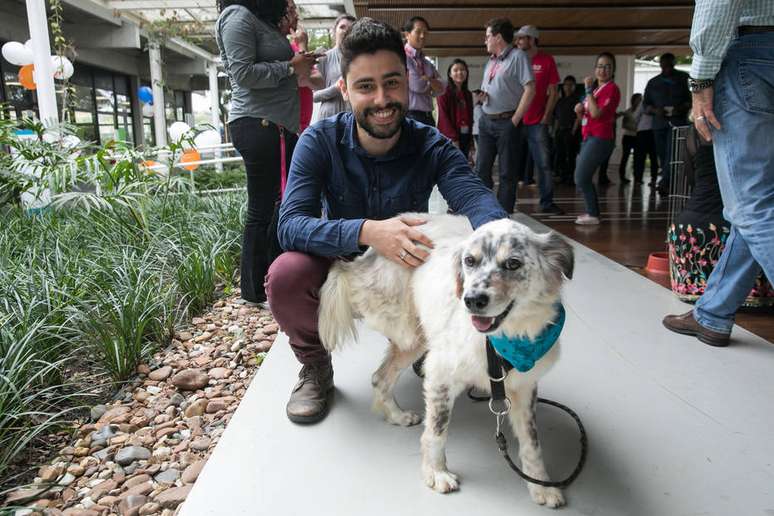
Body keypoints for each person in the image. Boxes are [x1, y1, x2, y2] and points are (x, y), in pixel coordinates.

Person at [266, 18, 508, 424]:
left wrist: (501, 240)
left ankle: (435, 343)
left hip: (407, 268)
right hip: (345, 264)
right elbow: (290, 224)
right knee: (286, 274)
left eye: (392, 83)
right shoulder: (319, 140)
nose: (382, 99)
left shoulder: (430, 143)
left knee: (471, 253)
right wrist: (368, 231)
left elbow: (475, 197)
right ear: (344, 89)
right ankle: (315, 366)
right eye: (365, 87)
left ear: (408, 80)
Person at [662, 2, 774, 347]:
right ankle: (713, 313)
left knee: (750, 205)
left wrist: (701, 79)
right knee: (758, 200)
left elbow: (720, 2)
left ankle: (712, 313)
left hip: (753, 53)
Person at [215, 0, 316, 305]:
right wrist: (290, 66)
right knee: (262, 208)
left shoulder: (258, 20)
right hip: (257, 124)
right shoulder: (236, 16)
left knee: (274, 205)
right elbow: (242, 73)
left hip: (275, 125)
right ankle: (254, 290)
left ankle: (271, 280)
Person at [667, 124, 773, 306]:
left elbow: (689, 178)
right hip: (733, 224)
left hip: (687, 231)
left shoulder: (694, 132)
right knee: (756, 229)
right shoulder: (758, 133)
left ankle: (710, 305)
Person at [475, 17, 535, 214]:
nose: (485, 41)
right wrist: (483, 97)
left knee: (507, 173)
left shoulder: (518, 56)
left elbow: (530, 89)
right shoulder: (491, 61)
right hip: (486, 120)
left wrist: (515, 120)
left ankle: (502, 215)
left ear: (498, 37)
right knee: (481, 169)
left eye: (487, 37)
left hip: (507, 122)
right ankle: (483, 209)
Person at [515, 25, 563, 214]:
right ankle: (507, 203)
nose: (518, 42)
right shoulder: (516, 60)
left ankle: (547, 203)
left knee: (543, 165)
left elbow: (553, 92)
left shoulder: (546, 60)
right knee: (510, 164)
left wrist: (546, 116)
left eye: (521, 38)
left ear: (532, 39)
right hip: (516, 121)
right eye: (517, 39)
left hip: (537, 123)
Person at [573, 52, 621, 225]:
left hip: (600, 138)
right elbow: (586, 117)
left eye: (608, 66)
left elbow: (596, 113)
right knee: (581, 176)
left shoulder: (611, 89)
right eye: (600, 66)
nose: (603, 69)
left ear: (613, 70)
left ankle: (593, 214)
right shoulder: (595, 90)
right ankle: (593, 213)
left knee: (581, 176)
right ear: (595, 69)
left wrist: (587, 91)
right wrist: (579, 111)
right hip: (589, 137)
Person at [642, 53, 691, 194]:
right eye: (664, 65)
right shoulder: (653, 82)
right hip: (659, 123)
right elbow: (646, 104)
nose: (667, 68)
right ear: (660, 65)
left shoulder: (684, 78)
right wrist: (655, 110)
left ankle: (665, 182)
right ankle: (667, 177)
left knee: (673, 152)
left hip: (678, 123)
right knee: (662, 153)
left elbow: (693, 98)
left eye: (670, 65)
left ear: (674, 63)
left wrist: (681, 108)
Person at [311, 14, 355, 122]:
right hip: (329, 117)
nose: (346, 31)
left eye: (351, 28)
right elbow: (313, 96)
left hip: (353, 118)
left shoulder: (360, 59)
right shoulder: (323, 58)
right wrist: (335, 88)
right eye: (342, 27)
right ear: (334, 31)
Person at [402, 16, 444, 126]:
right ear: (407, 34)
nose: (422, 36)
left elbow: (442, 87)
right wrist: (432, 82)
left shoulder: (426, 62)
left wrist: (428, 79)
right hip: (410, 116)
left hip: (428, 116)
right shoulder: (402, 57)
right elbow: (417, 85)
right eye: (418, 32)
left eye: (425, 33)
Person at [437, 58, 474, 159]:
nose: (460, 72)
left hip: (465, 136)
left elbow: (470, 118)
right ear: (450, 74)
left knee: (463, 166)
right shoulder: (444, 92)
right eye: (456, 70)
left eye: (462, 70)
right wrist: (453, 139)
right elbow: (443, 118)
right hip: (451, 138)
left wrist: (471, 141)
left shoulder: (468, 94)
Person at [553, 75, 581, 185]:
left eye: (570, 85)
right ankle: (562, 176)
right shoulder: (559, 101)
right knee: (560, 155)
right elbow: (556, 118)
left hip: (570, 131)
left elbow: (578, 117)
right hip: (560, 131)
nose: (568, 87)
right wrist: (555, 131)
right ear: (563, 86)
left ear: (574, 86)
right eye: (566, 85)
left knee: (570, 155)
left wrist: (573, 131)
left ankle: (570, 177)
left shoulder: (576, 100)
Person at [617, 93, 642, 184]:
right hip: (628, 137)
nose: (640, 101)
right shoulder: (628, 111)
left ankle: (637, 178)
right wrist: (635, 128)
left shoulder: (642, 112)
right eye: (638, 99)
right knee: (625, 157)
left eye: (641, 99)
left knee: (637, 158)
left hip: (637, 137)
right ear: (634, 100)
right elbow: (624, 125)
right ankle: (622, 177)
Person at [633, 100, 659, 185]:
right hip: (655, 131)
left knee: (640, 157)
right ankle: (653, 179)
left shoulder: (644, 102)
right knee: (653, 157)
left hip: (642, 131)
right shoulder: (660, 102)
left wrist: (637, 127)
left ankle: (638, 179)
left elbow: (636, 116)